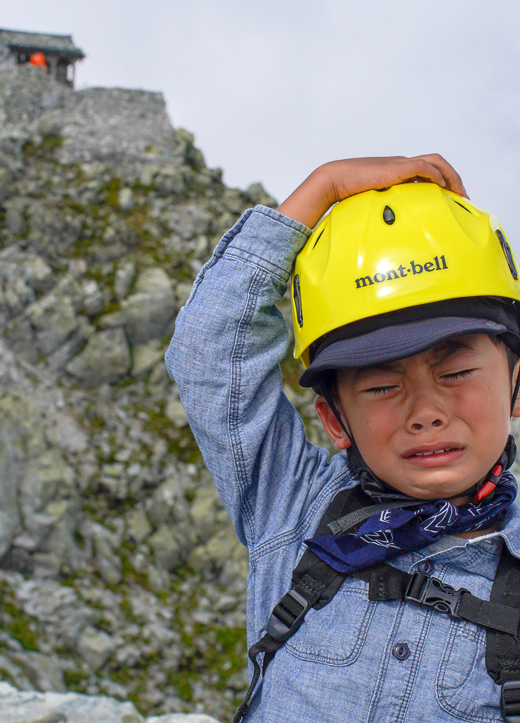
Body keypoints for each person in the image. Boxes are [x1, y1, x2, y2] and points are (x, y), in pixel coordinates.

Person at [165, 156, 520, 723]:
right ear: (334, 421)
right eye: (381, 386)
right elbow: (207, 354)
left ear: (516, 387)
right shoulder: (294, 503)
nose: (426, 412)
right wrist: (323, 186)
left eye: (454, 373)